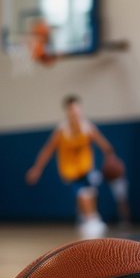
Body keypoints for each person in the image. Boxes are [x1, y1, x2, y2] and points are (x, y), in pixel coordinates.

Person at [25, 95, 118, 239]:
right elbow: (47, 150)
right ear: (67, 111)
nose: (74, 112)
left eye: (76, 109)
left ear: (80, 109)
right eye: (71, 109)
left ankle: (89, 218)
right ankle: (91, 221)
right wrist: (37, 168)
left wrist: (111, 156)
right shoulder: (61, 131)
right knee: (83, 194)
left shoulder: (87, 127)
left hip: (87, 168)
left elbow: (104, 144)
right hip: (70, 171)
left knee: (90, 194)